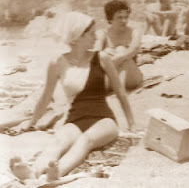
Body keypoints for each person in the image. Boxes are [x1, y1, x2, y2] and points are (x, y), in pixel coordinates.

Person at [9, 11, 135, 181]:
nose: (96, 37)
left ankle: (56, 174)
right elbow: (45, 98)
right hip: (75, 119)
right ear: (76, 37)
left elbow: (120, 92)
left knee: (85, 140)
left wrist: (131, 123)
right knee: (58, 140)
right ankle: (35, 173)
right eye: (91, 34)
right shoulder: (58, 63)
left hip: (104, 119)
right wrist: (30, 123)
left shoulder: (102, 58)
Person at [98, 0, 143, 90]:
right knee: (106, 52)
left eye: (126, 17)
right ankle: (119, 90)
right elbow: (95, 55)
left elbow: (134, 49)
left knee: (121, 49)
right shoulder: (103, 33)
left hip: (131, 77)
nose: (124, 21)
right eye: (119, 17)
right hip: (110, 78)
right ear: (110, 19)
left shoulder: (133, 32)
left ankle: (120, 90)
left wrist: (117, 59)